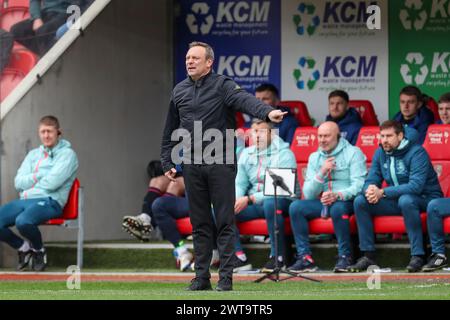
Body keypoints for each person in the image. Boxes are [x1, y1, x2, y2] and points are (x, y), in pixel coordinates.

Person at [161, 41, 286, 291]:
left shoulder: (223, 85)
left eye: (196, 58)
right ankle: (201, 277)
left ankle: (226, 277)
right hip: (192, 164)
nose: (190, 61)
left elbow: (245, 100)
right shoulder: (179, 90)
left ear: (209, 62)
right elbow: (171, 129)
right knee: (199, 223)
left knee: (225, 221)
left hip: (221, 163)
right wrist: (167, 160)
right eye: (187, 57)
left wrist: (267, 113)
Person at [350, 120, 443, 273]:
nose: (384, 140)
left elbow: (415, 186)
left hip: (427, 199)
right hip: (397, 200)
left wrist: (383, 192)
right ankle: (368, 256)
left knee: (406, 200)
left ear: (400, 136)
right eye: (382, 136)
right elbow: (371, 178)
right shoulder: (380, 152)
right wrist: (370, 190)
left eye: (389, 136)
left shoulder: (417, 152)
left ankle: (418, 255)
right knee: (361, 201)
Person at [0, 115, 78, 271]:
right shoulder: (33, 155)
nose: (46, 135)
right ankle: (23, 248)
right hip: (26, 200)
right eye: (42, 132)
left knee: (23, 221)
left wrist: (31, 185)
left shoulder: (68, 155)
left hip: (51, 201)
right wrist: (39, 176)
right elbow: (18, 182)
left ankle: (38, 250)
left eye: (49, 131)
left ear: (58, 132)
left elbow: (53, 183)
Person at [287, 122, 366, 273]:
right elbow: (308, 193)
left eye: (327, 136)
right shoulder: (314, 157)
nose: (322, 140)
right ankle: (305, 258)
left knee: (338, 208)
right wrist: (322, 171)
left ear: (337, 136)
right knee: (296, 207)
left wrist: (338, 195)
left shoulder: (353, 153)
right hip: (322, 202)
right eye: (320, 136)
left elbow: (359, 185)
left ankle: (345, 256)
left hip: (345, 201)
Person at [233, 119, 299, 273]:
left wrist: (249, 199)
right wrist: (236, 200)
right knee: (221, 210)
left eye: (262, 131)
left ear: (272, 133)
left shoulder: (284, 153)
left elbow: (277, 189)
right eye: (255, 131)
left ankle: (278, 257)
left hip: (282, 200)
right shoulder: (246, 153)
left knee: (270, 203)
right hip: (254, 203)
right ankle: (238, 257)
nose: (257, 136)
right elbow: (240, 183)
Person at [122, 161, 184, 242]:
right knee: (156, 181)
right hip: (178, 173)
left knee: (175, 185)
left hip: (195, 177)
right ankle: (145, 218)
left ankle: (149, 226)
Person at [10, 0, 76, 56]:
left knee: (43, 31)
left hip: (65, 12)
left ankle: (49, 61)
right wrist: (37, 18)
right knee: (16, 30)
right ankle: (46, 55)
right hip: (46, 13)